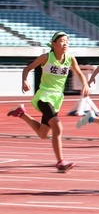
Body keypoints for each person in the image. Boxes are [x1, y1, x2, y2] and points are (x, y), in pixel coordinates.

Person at [7, 31, 89, 172]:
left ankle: (21, 113)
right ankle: (60, 162)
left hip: (56, 99)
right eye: (62, 41)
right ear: (54, 44)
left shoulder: (70, 59)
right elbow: (27, 68)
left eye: (67, 42)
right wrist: (24, 81)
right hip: (44, 97)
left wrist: (85, 84)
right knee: (58, 127)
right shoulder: (46, 57)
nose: (65, 44)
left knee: (43, 134)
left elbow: (79, 73)